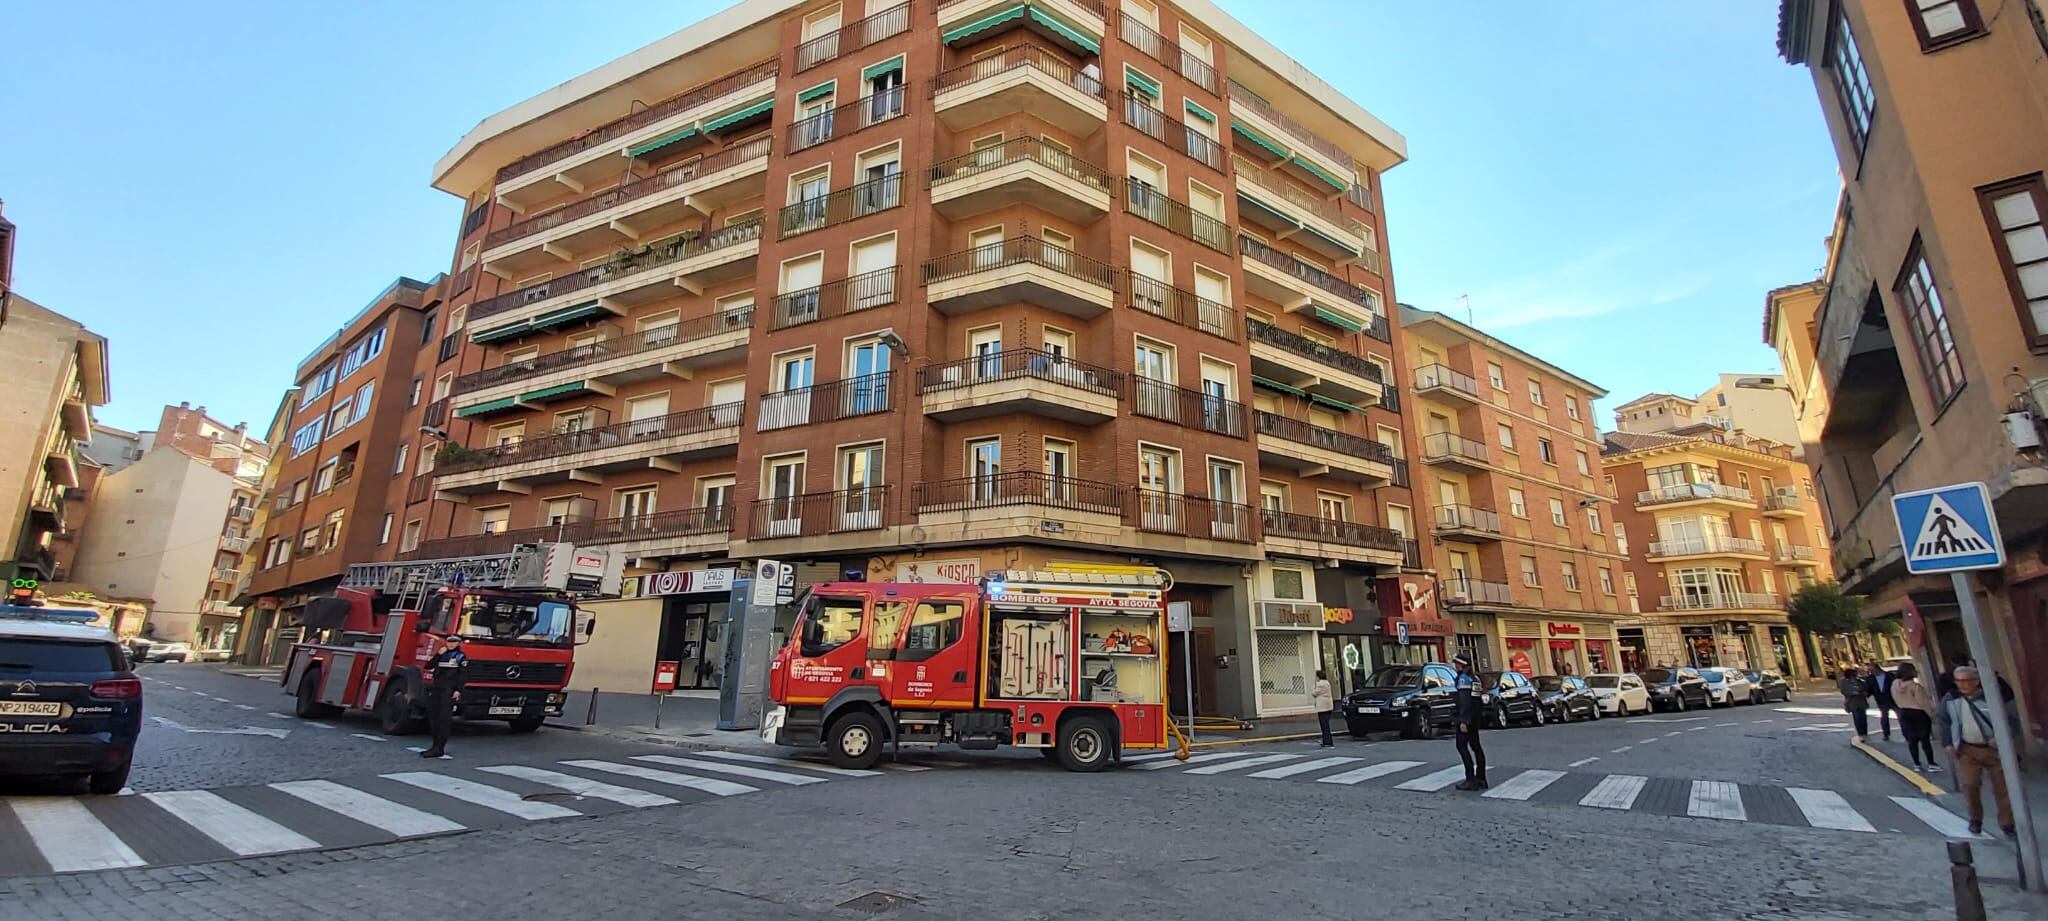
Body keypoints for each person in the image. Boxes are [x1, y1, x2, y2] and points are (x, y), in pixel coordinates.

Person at [1938, 666, 2018, 837]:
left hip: (1993, 749)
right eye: (1959, 681)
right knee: (1970, 785)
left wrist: (2004, 737)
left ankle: (2007, 823)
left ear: (1976, 681)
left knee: (2003, 788)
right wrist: (1948, 743)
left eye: (1966, 680)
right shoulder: (1951, 699)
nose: (1962, 685)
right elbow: (1944, 721)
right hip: (1967, 749)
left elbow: (2011, 720)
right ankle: (1975, 819)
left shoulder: (1991, 697)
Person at [421, 634, 468, 759]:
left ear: (459, 643)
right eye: (449, 642)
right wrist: (438, 655)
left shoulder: (460, 657)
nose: (451, 644)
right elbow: (428, 666)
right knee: (433, 716)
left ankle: (439, 747)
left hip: (449, 690)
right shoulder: (442, 654)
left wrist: (458, 690)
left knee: (444, 719)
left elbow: (463, 676)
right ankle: (434, 745)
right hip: (437, 688)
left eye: (454, 642)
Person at [1890, 662, 1939, 773]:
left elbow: (1894, 698)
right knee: (1925, 740)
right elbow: (1923, 702)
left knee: (1912, 740)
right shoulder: (1915, 686)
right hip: (1918, 713)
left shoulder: (1894, 684)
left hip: (1903, 712)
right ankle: (1931, 763)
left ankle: (1916, 764)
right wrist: (1932, 713)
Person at [1452, 655, 1487, 791]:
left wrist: (1463, 721)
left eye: (1456, 664)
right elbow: (1477, 701)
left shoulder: (1463, 679)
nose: (1455, 666)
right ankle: (1481, 778)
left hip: (1466, 719)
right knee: (1476, 747)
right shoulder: (1475, 678)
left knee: (1461, 746)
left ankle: (1470, 779)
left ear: (1461, 665)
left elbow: (1464, 701)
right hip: (1475, 718)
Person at [1866, 660, 1896, 741]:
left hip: (1894, 700)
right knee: (1884, 717)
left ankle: (1906, 734)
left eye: (1872, 670)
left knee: (1901, 717)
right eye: (1869, 671)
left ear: (1877, 668)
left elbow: (1895, 686)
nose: (1871, 672)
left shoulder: (1889, 676)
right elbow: (1869, 690)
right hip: (1881, 701)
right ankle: (1886, 734)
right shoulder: (1870, 679)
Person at [1837, 666, 1869, 739]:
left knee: (1863, 718)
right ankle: (1860, 733)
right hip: (1852, 702)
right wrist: (1853, 692)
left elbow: (1865, 689)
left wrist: (1863, 692)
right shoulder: (1844, 682)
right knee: (1857, 717)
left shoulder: (1860, 681)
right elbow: (1843, 691)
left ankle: (1865, 732)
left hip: (1861, 701)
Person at [1311, 669, 1335, 748]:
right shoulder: (1327, 683)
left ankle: (1327, 742)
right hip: (1328, 706)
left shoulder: (1320, 684)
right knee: (1326, 724)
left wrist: (1314, 685)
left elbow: (1314, 693)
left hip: (1323, 707)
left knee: (1324, 725)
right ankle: (1327, 741)